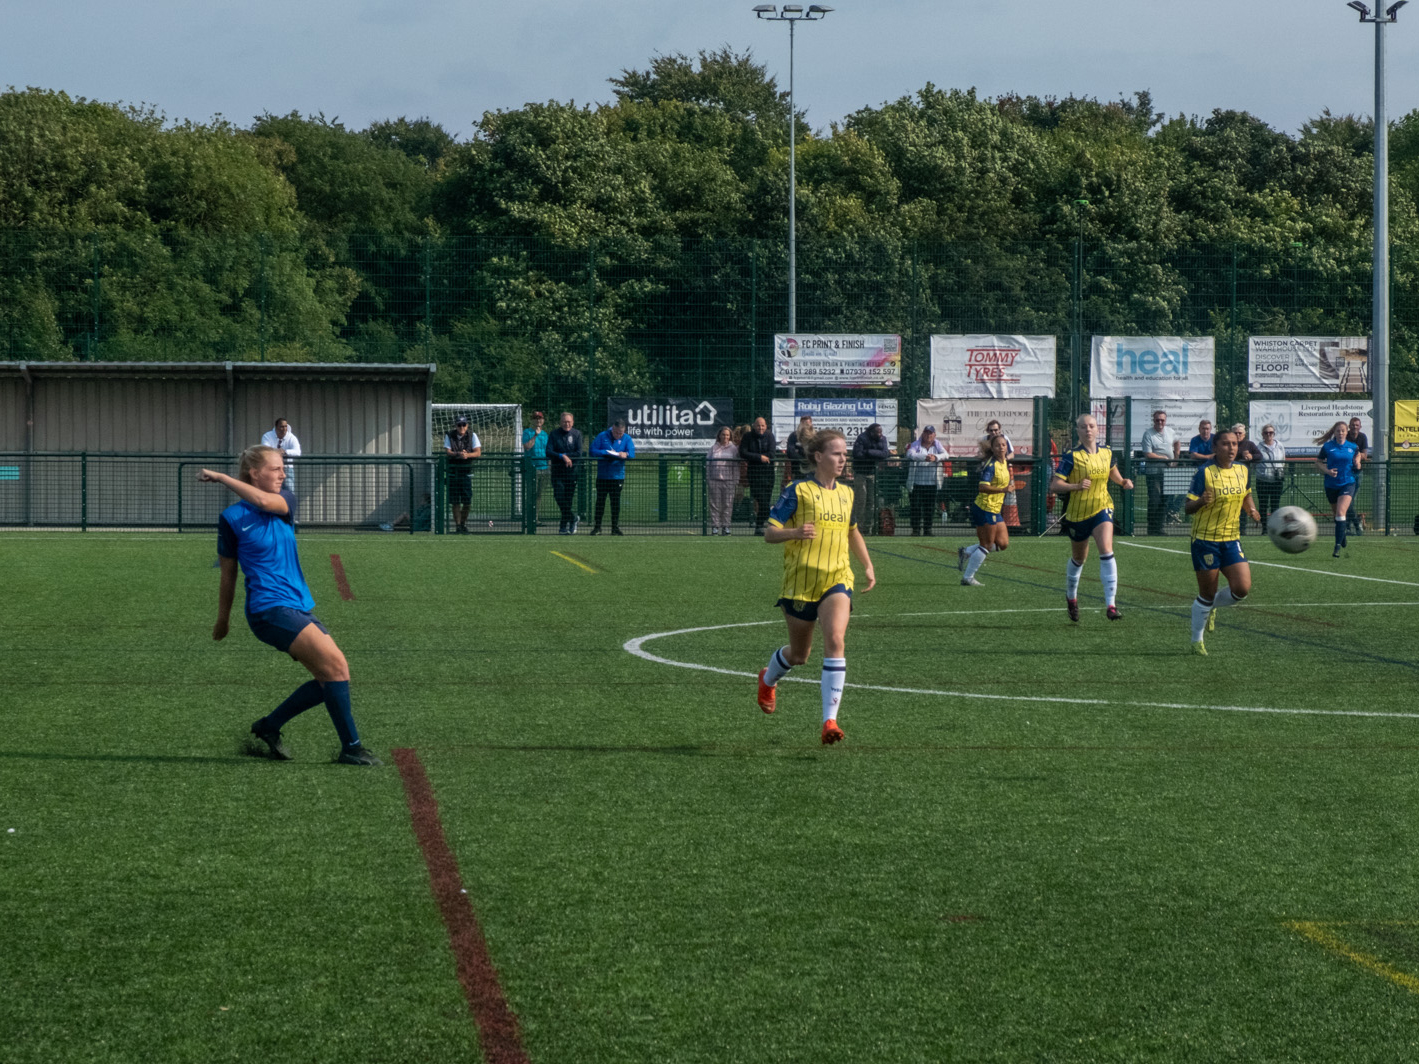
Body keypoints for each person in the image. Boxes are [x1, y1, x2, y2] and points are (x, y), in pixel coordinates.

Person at [201, 445, 379, 766]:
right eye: (276, 469)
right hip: (268, 610)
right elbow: (228, 575)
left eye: (283, 468)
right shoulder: (230, 519)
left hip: (296, 605)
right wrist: (222, 619)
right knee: (337, 666)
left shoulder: (285, 501)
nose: (283, 474)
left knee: (331, 677)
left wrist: (223, 478)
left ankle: (269, 726)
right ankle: (351, 747)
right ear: (254, 473)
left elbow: (263, 501)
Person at [755, 429, 876, 746]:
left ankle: (829, 721)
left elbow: (852, 532)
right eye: (836, 453)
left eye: (844, 454)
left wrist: (866, 565)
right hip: (800, 584)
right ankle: (768, 679)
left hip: (837, 578)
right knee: (799, 655)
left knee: (836, 639)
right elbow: (769, 533)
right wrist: (795, 532)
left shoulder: (847, 493)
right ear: (818, 457)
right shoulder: (798, 491)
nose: (842, 459)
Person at [1049, 413, 1134, 622]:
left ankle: (1111, 605)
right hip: (1078, 514)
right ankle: (1071, 597)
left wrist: (1122, 481)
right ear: (1077, 431)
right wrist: (1075, 486)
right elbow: (1054, 485)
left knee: (1106, 550)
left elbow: (1112, 471)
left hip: (1102, 507)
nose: (1088, 430)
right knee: (1079, 559)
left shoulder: (1106, 452)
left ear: (1098, 429)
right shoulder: (1071, 456)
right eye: (1083, 427)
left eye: (1091, 426)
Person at [1184, 429, 1260, 656]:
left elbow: (1245, 495)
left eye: (1235, 444)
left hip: (1231, 538)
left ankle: (1212, 607)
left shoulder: (1242, 470)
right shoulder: (1204, 473)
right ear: (1215, 448)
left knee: (1242, 588)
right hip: (1206, 540)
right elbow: (1187, 508)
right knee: (1206, 593)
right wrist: (1200, 503)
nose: (1231, 448)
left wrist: (1252, 509)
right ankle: (1197, 641)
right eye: (1226, 444)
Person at [960, 434, 1012, 585]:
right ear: (993, 448)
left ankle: (967, 552)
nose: (1001, 447)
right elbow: (982, 487)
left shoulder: (1004, 462)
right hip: (985, 508)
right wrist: (1003, 489)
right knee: (987, 544)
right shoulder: (991, 465)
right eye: (998, 445)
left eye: (1003, 444)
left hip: (994, 509)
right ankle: (968, 577)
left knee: (1003, 544)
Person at [1316, 418, 1362, 558]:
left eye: (1343, 431)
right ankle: (1342, 536)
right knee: (1337, 515)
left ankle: (1336, 547)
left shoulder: (1352, 447)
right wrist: (1328, 471)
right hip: (1331, 484)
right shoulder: (1328, 447)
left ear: (1347, 431)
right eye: (1338, 431)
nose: (1341, 433)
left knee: (1341, 512)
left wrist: (1358, 462)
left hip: (1348, 483)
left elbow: (1358, 456)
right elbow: (1318, 462)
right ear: (1334, 433)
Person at [590, 418, 634, 535]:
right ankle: (597, 527)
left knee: (615, 502)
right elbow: (592, 451)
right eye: (616, 433)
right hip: (603, 476)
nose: (618, 435)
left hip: (617, 476)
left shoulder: (627, 438)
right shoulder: (602, 436)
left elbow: (632, 453)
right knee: (600, 502)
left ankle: (615, 527)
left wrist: (626, 454)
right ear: (612, 428)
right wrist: (605, 452)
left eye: (621, 433)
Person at [1140, 409, 1181, 536]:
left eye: (1162, 420)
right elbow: (1148, 453)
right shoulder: (1148, 434)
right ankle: (1151, 527)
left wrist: (1176, 459)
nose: (1160, 422)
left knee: (1165, 499)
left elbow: (1177, 442)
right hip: (1153, 471)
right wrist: (1163, 458)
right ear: (1154, 420)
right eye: (1157, 420)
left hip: (1168, 470)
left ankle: (1160, 528)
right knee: (1154, 499)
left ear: (1165, 420)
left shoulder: (1170, 431)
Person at [850, 423, 893, 534]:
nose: (880, 434)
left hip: (873, 474)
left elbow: (885, 453)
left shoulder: (882, 439)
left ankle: (868, 527)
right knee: (861, 500)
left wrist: (868, 452)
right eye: (877, 432)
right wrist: (875, 455)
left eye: (881, 432)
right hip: (860, 473)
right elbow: (857, 454)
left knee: (872, 501)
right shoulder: (862, 438)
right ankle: (857, 527)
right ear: (871, 432)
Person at [904, 424, 946, 536]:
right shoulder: (916, 445)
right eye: (926, 433)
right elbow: (910, 454)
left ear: (934, 435)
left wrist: (936, 457)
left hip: (932, 482)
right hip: (917, 482)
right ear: (923, 434)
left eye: (930, 433)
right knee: (915, 507)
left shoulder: (937, 445)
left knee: (929, 508)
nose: (928, 435)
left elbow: (945, 455)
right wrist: (925, 457)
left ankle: (928, 530)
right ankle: (915, 530)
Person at [546, 411, 583, 535]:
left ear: (572, 422)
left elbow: (578, 452)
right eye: (564, 422)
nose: (566, 424)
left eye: (569, 422)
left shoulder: (577, 434)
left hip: (572, 472)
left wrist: (566, 456)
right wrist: (561, 456)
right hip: (557, 472)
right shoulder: (554, 434)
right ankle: (573, 518)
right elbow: (549, 451)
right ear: (560, 422)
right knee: (558, 496)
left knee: (568, 500)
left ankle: (563, 527)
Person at [739, 416, 777, 535]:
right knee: (760, 499)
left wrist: (763, 457)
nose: (760, 428)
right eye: (758, 425)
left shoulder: (770, 436)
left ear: (766, 426)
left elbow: (772, 453)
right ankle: (765, 522)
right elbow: (743, 452)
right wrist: (759, 457)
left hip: (768, 473)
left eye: (762, 425)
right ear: (754, 426)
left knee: (766, 499)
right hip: (754, 473)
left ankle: (759, 526)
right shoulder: (747, 437)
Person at [443, 416, 481, 534]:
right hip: (453, 472)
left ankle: (463, 523)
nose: (462, 427)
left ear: (467, 425)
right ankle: (458, 525)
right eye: (459, 425)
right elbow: (448, 451)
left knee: (467, 501)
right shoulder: (449, 436)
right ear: (456, 426)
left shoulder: (472, 436)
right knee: (455, 501)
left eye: (464, 425)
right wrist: (458, 454)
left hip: (466, 471)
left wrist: (467, 455)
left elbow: (478, 452)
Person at [706, 426, 740, 535]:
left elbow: (736, 465)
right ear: (719, 436)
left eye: (727, 435)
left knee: (727, 504)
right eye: (723, 435)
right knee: (714, 504)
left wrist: (735, 480)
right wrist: (708, 478)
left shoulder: (733, 449)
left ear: (730, 436)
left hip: (729, 480)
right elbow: (708, 464)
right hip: (714, 480)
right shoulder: (713, 448)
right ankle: (715, 526)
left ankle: (726, 526)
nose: (725, 437)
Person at [1253, 424, 1287, 529]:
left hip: (1276, 481)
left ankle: (1274, 527)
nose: (1269, 435)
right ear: (1262, 434)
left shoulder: (1280, 445)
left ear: (1274, 434)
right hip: (1263, 480)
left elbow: (1283, 460)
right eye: (1266, 433)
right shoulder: (1258, 447)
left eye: (1271, 432)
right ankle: (1264, 528)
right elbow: (1255, 463)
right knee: (1263, 505)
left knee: (1275, 505)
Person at [1232, 424, 1262, 534]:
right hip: (1229, 477)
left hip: (1244, 479)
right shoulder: (1230, 444)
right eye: (1235, 433)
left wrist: (1251, 457)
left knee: (1243, 502)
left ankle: (1242, 529)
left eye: (1240, 433)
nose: (1237, 435)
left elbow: (1259, 456)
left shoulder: (1249, 444)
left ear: (1244, 434)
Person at [522, 411, 550, 525]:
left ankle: (535, 518)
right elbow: (527, 447)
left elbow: (548, 450)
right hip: (532, 468)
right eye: (535, 418)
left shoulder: (545, 434)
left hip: (544, 467)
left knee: (538, 495)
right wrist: (535, 435)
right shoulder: (527, 432)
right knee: (531, 493)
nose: (538, 420)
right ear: (531, 420)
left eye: (540, 418)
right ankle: (528, 518)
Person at [260, 418, 302, 490]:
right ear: (276, 427)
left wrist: (285, 452)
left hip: (287, 469)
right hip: (271, 468)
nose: (284, 429)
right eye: (281, 426)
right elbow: (266, 450)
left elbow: (298, 452)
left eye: (285, 426)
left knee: (289, 491)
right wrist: (277, 451)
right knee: (272, 491)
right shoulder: (267, 436)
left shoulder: (291, 437)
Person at [1346, 417, 1370, 534]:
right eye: (1352, 425)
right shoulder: (1344, 436)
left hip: (1357, 473)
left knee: (1350, 500)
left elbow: (1365, 455)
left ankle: (1349, 525)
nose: (1355, 427)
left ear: (1360, 427)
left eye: (1357, 425)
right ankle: (1354, 524)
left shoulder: (1362, 437)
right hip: (1345, 472)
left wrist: (1353, 453)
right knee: (1346, 500)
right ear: (1349, 426)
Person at [785, 415, 814, 480]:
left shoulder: (815, 436)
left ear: (811, 424)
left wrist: (800, 452)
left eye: (807, 424)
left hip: (812, 470)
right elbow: (790, 453)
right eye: (803, 424)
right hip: (797, 470)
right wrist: (802, 459)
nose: (805, 426)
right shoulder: (793, 436)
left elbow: (816, 452)